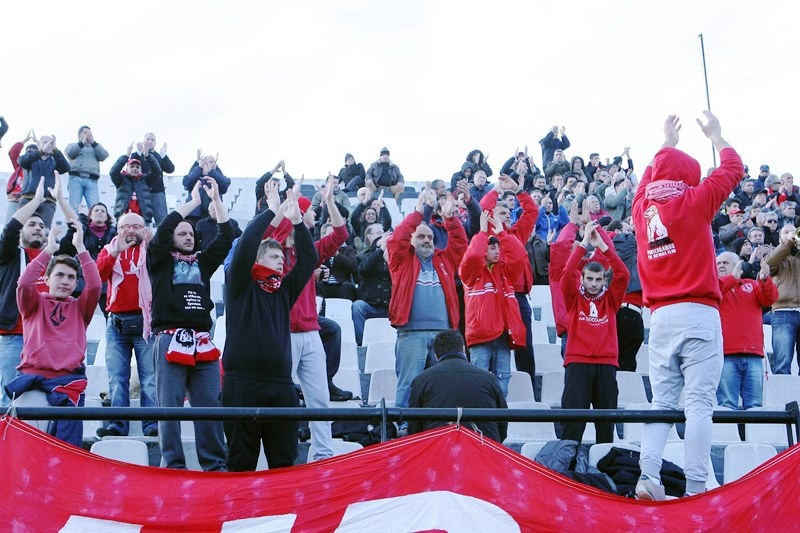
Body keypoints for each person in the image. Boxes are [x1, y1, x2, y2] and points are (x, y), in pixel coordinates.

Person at [632, 112, 744, 500]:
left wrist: (667, 144)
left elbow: (646, 179)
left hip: (660, 317)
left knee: (661, 402)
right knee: (698, 404)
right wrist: (717, 135)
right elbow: (733, 168)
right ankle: (696, 487)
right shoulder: (695, 199)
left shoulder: (640, 208)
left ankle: (648, 477)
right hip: (698, 311)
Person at [223, 185, 317, 471]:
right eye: (274, 257)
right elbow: (247, 242)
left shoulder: (283, 290)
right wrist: (272, 212)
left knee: (283, 465)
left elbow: (309, 260)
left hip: (280, 386)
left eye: (281, 258)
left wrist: (297, 222)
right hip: (242, 385)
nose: (281, 262)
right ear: (257, 259)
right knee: (241, 464)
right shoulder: (239, 284)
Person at [147, 179, 233, 471]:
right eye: (181, 232)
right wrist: (194, 202)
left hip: (201, 341)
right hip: (169, 338)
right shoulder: (159, 260)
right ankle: (173, 466)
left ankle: (215, 465)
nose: (187, 236)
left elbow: (226, 236)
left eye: (191, 233)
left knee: (209, 405)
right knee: (169, 406)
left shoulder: (202, 263)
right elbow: (161, 232)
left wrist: (216, 200)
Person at [6, 214, 100, 447]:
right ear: (47, 279)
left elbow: (95, 285)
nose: (65, 281)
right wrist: (48, 250)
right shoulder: (33, 303)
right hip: (32, 383)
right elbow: (24, 283)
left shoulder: (81, 308)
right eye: (59, 275)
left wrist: (81, 248)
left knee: (65, 452)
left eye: (71, 277)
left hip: (69, 384)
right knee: (26, 450)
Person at [387, 186, 467, 436]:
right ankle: (403, 425)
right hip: (411, 333)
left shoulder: (444, 260)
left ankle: (441, 426)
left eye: (430, 237)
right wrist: (420, 213)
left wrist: (450, 218)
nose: (426, 241)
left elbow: (460, 244)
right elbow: (396, 239)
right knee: (408, 382)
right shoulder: (401, 260)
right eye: (421, 236)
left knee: (443, 383)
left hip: (444, 334)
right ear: (412, 239)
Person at [560, 220, 629, 443]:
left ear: (603, 281)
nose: (593, 283)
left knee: (606, 428)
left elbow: (623, 274)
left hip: (606, 364)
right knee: (572, 426)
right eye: (589, 278)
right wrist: (583, 244)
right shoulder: (574, 298)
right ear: (582, 279)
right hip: (577, 363)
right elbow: (566, 274)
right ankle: (567, 462)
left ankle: (604, 462)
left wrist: (603, 247)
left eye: (598, 279)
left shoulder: (611, 299)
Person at [94, 212, 157, 438]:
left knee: (150, 379)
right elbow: (97, 276)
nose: (130, 230)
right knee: (117, 379)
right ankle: (117, 424)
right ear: (118, 230)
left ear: (144, 229)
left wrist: (153, 246)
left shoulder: (153, 249)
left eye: (136, 226)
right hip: (117, 323)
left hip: (146, 322)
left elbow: (163, 271)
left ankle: (152, 424)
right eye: (125, 226)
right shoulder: (109, 249)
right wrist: (115, 253)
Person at [459, 211, 527, 396]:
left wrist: (502, 234)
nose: (497, 251)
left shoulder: (505, 272)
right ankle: (480, 413)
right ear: (484, 249)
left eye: (498, 248)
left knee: (503, 379)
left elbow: (520, 255)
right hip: (481, 337)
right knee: (478, 381)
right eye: (492, 248)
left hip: (503, 337)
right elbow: (473, 256)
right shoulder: (471, 274)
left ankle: (498, 413)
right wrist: (482, 233)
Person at [480, 175, 539, 383]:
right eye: (501, 213)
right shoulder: (489, 235)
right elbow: (484, 207)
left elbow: (532, 212)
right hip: (497, 296)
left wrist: (519, 191)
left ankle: (530, 387)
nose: (506, 216)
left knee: (525, 345)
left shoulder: (517, 234)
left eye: (508, 213)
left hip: (519, 297)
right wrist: (497, 189)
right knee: (495, 345)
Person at [0, 181, 51, 406]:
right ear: (22, 231)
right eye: (32, 224)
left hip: (45, 339)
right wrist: (36, 201)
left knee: (42, 402)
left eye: (41, 225)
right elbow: (9, 230)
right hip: (15, 336)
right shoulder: (10, 255)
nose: (38, 228)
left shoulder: (51, 259)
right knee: (10, 400)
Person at [408, 329, 507, 443]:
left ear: (435, 356)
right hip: (484, 449)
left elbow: (414, 430)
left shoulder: (421, 380)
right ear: (463, 350)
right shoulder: (490, 379)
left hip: (439, 449)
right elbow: (503, 424)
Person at [716, 252, 777, 409]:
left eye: (725, 263)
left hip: (753, 355)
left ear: (737, 265)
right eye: (718, 263)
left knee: (755, 406)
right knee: (726, 405)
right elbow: (715, 295)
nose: (721, 265)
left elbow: (769, 299)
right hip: (725, 355)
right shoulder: (714, 288)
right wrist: (732, 279)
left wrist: (764, 280)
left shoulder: (752, 284)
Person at [765, 224, 800, 375]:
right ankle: (782, 391)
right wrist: (787, 244)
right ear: (780, 239)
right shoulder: (775, 255)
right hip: (782, 312)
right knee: (782, 363)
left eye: (793, 231)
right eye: (786, 232)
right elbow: (768, 265)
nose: (791, 234)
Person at [18, 134, 70, 227]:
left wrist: (55, 150)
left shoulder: (55, 161)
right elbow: (22, 161)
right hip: (28, 198)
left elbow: (66, 168)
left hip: (48, 201)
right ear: (38, 145)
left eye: (51, 143)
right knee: (23, 228)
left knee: (44, 230)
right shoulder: (31, 157)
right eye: (45, 142)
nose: (48, 145)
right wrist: (41, 152)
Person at [352, 225, 392, 345]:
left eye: (383, 232)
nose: (382, 235)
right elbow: (363, 270)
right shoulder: (363, 256)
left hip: (390, 306)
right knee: (358, 306)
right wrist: (380, 251)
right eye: (379, 233)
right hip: (371, 304)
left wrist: (389, 261)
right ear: (369, 237)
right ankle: (361, 343)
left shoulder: (395, 254)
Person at [130, 133, 176, 224]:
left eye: (152, 140)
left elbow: (170, 169)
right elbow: (131, 166)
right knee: (142, 221)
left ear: (155, 143)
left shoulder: (159, 156)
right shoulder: (137, 155)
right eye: (148, 139)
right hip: (142, 192)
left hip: (158, 192)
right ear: (143, 141)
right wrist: (139, 152)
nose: (150, 142)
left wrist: (164, 155)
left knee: (162, 221)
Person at [65, 126, 109, 212]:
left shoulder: (95, 147)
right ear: (79, 136)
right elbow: (70, 153)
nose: (88, 135)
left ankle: (93, 221)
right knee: (74, 207)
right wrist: (82, 143)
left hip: (92, 180)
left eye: (90, 133)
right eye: (85, 133)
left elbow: (103, 156)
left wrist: (94, 143)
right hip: (75, 179)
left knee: (94, 207)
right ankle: (73, 220)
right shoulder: (72, 145)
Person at [109, 153, 160, 224]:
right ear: (126, 169)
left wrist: (148, 157)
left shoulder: (146, 180)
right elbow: (113, 172)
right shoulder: (121, 180)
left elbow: (157, 171)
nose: (135, 168)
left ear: (141, 170)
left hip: (142, 219)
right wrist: (125, 156)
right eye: (132, 166)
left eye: (137, 167)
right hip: (124, 218)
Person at [182, 153, 231, 219]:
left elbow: (225, 185)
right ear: (203, 163)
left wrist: (212, 172)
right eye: (211, 162)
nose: (214, 164)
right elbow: (187, 183)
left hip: (213, 216)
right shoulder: (196, 174)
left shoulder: (217, 175)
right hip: (194, 215)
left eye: (215, 162)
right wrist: (199, 167)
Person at [6, 130, 37, 222]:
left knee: (28, 225)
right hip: (15, 200)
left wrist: (39, 144)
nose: (30, 155)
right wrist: (24, 141)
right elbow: (13, 153)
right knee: (10, 225)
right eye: (28, 152)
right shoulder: (19, 166)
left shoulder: (39, 168)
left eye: (33, 153)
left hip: (30, 201)